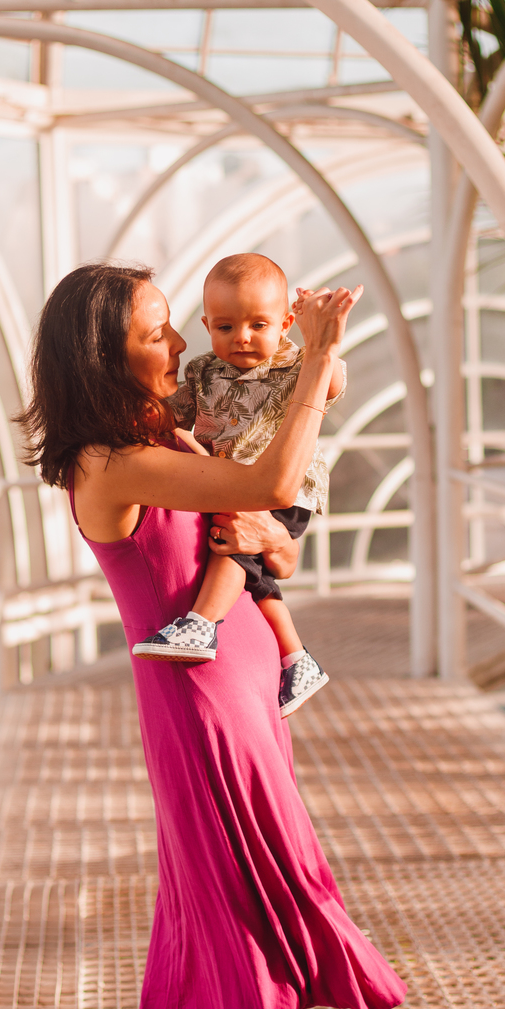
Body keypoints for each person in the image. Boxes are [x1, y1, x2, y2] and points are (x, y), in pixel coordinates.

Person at [19, 262, 406, 1009]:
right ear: (108, 357)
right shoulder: (114, 463)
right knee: (247, 917)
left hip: (230, 693)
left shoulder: (161, 439)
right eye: (160, 332)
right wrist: (314, 356)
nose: (184, 343)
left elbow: (263, 522)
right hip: (204, 711)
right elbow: (275, 477)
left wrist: (276, 542)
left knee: (229, 908)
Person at [130, 251, 338, 720]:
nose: (241, 337)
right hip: (235, 482)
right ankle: (297, 659)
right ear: (207, 325)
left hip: (284, 485)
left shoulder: (292, 362)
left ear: (285, 322)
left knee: (229, 544)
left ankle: (202, 624)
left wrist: (321, 343)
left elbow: (331, 380)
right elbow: (174, 412)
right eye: (225, 327)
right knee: (255, 576)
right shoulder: (204, 372)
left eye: (257, 326)